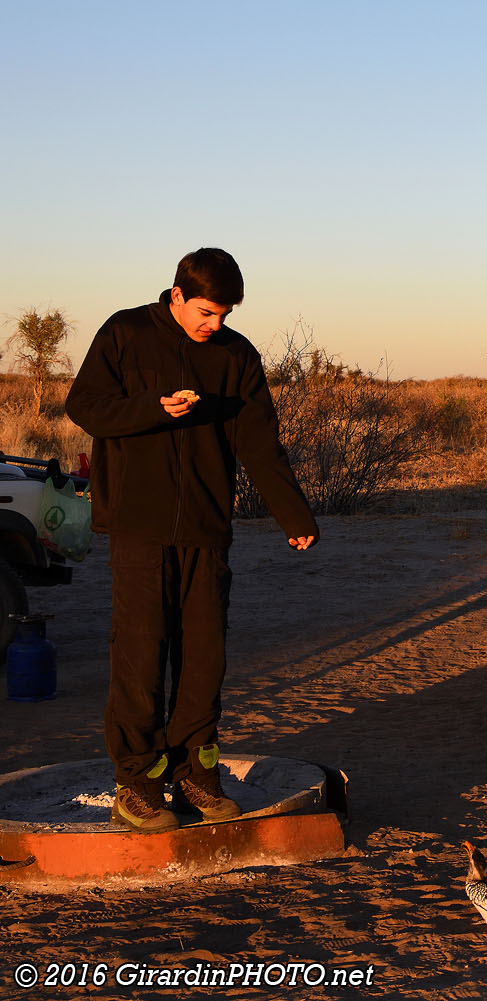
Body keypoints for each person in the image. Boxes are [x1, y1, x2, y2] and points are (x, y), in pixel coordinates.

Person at [66, 248, 319, 834]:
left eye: (224, 314)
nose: (216, 325)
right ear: (176, 295)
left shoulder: (236, 355)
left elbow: (258, 441)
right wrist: (149, 410)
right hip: (138, 526)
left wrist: (292, 513)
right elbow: (86, 407)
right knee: (141, 655)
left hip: (206, 527)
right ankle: (137, 784)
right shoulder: (125, 332)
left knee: (204, 658)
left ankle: (197, 774)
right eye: (206, 312)